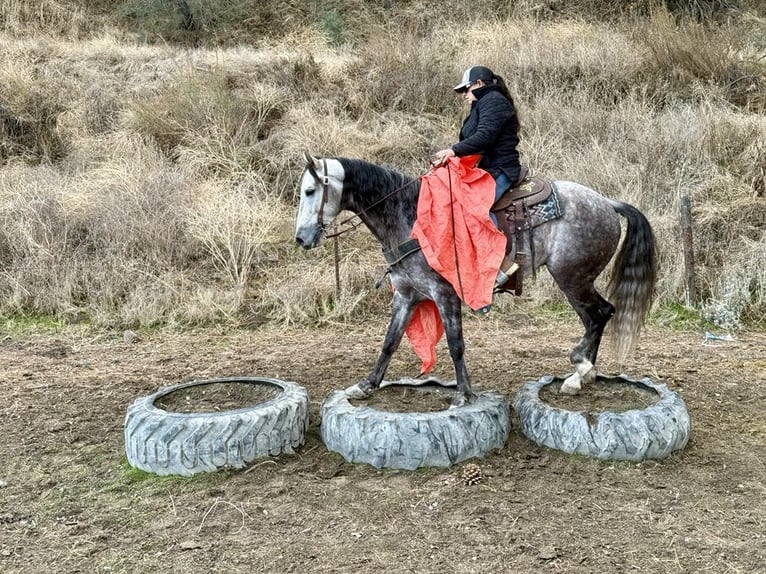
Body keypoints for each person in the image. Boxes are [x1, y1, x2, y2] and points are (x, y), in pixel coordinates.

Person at [432, 65, 522, 288]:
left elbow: (485, 136)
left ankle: (500, 264)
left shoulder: (493, 101)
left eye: (466, 89)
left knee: (473, 208)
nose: (464, 95)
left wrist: (453, 150)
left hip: (500, 169)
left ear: (479, 84)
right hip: (486, 169)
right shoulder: (483, 103)